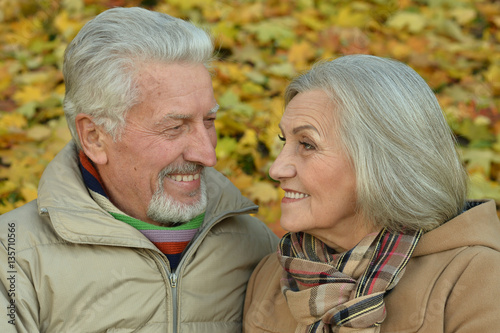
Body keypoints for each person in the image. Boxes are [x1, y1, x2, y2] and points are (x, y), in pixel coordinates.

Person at [0, 7, 278, 332]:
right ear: (95, 137)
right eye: (175, 127)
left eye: (210, 121)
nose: (207, 154)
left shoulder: (258, 246)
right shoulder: (13, 255)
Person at [243, 54, 500, 332]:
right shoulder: (271, 274)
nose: (277, 168)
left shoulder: (478, 279)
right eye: (285, 140)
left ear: (381, 161)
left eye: (307, 144)